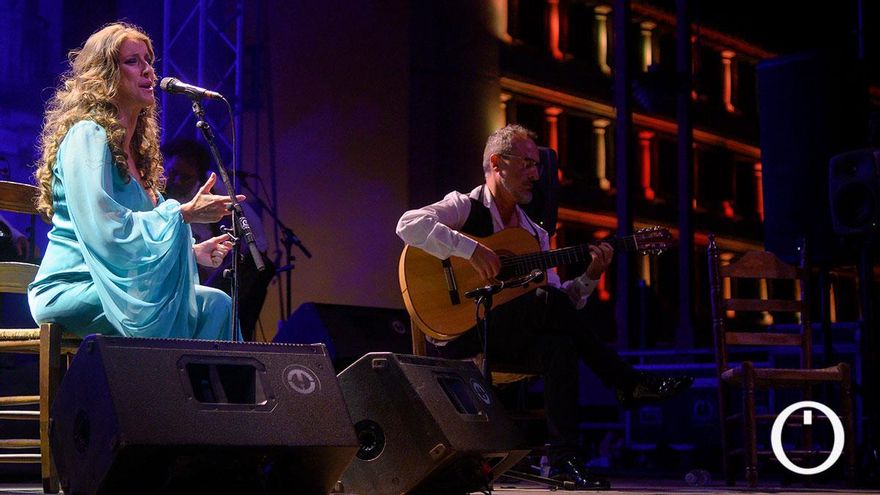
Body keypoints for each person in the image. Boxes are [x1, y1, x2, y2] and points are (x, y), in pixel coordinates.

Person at [396, 124, 693, 489]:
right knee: (547, 305)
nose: (536, 175)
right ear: (497, 164)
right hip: (463, 331)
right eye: (528, 164)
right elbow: (408, 224)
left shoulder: (534, 234)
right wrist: (470, 249)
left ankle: (564, 460)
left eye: (537, 166)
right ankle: (625, 382)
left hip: (509, 339)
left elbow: (559, 303)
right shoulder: (464, 205)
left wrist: (590, 277)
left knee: (560, 344)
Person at [28, 22, 243, 340]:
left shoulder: (136, 155)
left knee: (218, 305)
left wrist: (190, 252)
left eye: (149, 61)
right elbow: (106, 229)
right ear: (104, 75)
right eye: (133, 61)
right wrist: (182, 214)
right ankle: (157, 390)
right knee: (159, 301)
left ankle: (211, 391)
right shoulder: (87, 136)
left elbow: (135, 239)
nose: (148, 71)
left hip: (123, 286)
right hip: (75, 286)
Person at [162, 138, 276, 341]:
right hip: (179, 272)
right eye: (172, 174)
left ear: (199, 176)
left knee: (262, 267)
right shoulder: (156, 194)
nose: (177, 181)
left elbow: (256, 233)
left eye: (185, 177)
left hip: (218, 270)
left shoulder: (215, 190)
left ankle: (238, 341)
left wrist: (237, 259)